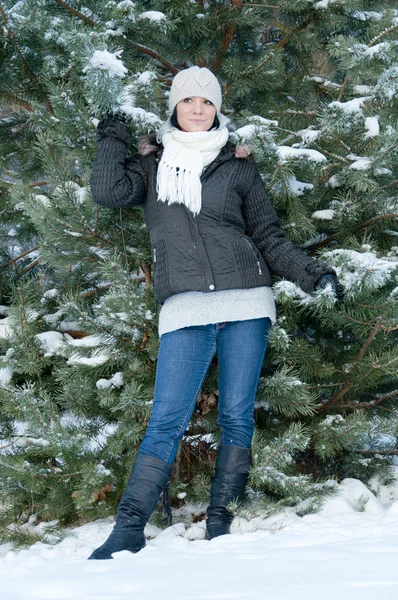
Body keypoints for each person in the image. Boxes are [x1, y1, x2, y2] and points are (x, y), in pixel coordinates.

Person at [88, 66, 343, 560]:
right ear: (175, 109)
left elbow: (268, 236)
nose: (198, 109)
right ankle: (129, 527)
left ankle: (221, 520)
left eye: (207, 102)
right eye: (189, 102)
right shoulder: (151, 165)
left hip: (246, 300)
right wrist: (111, 137)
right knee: (167, 418)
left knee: (235, 414)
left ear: (217, 109)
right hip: (184, 306)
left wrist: (313, 275)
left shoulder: (239, 167)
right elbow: (107, 192)